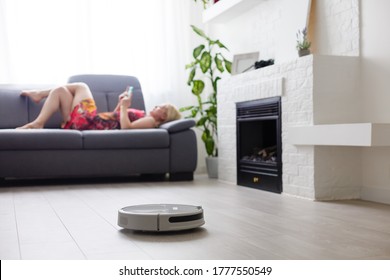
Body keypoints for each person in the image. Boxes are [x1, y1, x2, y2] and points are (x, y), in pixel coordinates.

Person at [17, 82, 181, 130]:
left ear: (164, 116)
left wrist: (125, 108)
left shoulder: (151, 121)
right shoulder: (147, 117)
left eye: (160, 107)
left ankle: (40, 94)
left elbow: (126, 128)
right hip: (84, 122)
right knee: (60, 90)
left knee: (82, 86)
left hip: (88, 122)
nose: (156, 107)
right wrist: (120, 105)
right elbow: (115, 119)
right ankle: (38, 123)